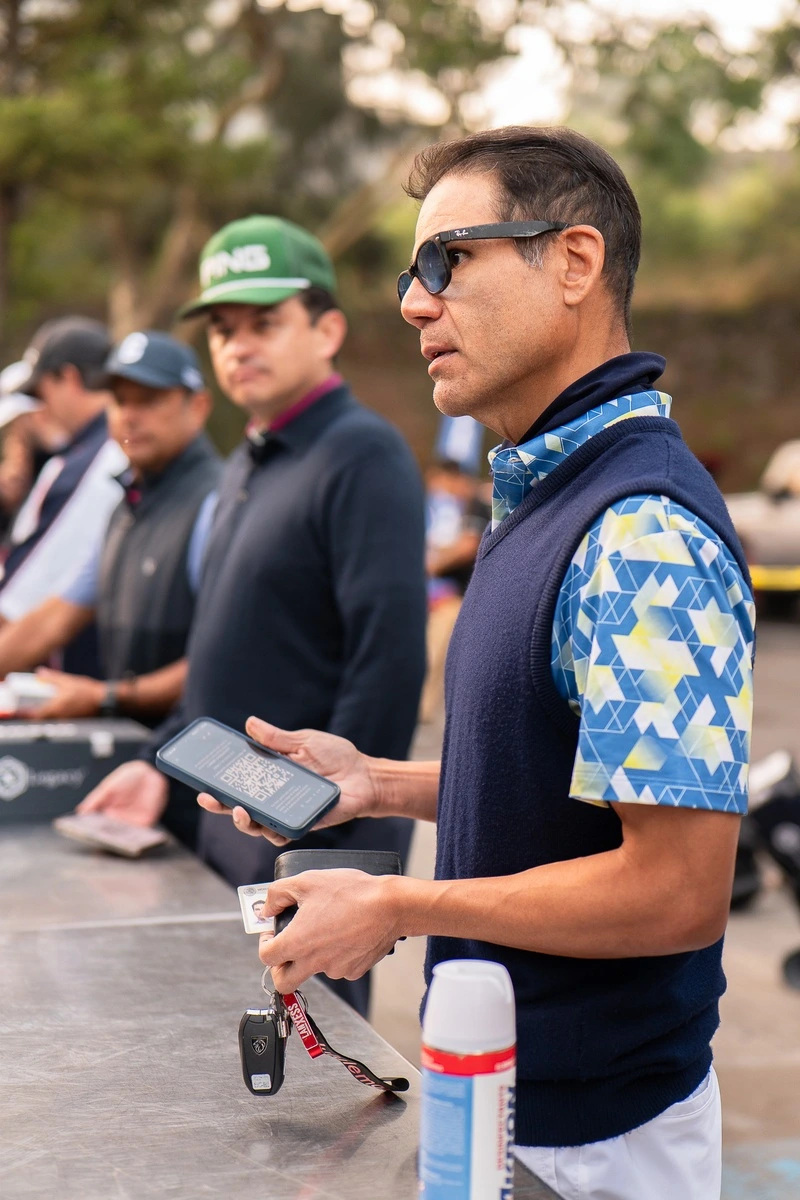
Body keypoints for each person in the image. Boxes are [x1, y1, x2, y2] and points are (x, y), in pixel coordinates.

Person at [202, 129, 755, 1200]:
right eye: (411, 272)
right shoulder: (545, 491)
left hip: (592, 1144)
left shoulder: (636, 531)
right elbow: (577, 795)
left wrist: (402, 907)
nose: (414, 302)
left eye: (449, 260)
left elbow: (674, 887)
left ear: (574, 263)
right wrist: (380, 785)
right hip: (509, 1103)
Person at [78, 216, 428, 1015]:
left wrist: (338, 847)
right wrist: (162, 774)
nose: (238, 345)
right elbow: (225, 658)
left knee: (309, 1089)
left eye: (265, 324)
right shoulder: (250, 459)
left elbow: (389, 661)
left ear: (328, 328)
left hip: (311, 846)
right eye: (224, 330)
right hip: (229, 823)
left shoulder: (362, 454)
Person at [0, 331, 221, 741]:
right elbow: (57, 616)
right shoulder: (126, 506)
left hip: (203, 766)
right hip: (138, 755)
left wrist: (106, 696)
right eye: (121, 401)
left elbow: (225, 659)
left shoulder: (217, 505)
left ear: (199, 406)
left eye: (150, 400)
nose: (130, 416)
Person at [0, 319, 128, 651]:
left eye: (41, 392)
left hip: (86, 677)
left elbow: (15, 609)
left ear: (68, 379)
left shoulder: (92, 460)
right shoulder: (111, 447)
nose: (42, 406)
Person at [419, 457, 490, 721]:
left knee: (435, 650)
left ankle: (420, 710)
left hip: (464, 596)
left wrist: (431, 566)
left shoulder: (476, 502)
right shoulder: (449, 508)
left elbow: (467, 545)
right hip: (457, 594)